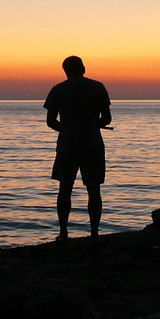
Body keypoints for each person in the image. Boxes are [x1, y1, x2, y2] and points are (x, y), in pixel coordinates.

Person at [44, 56, 111, 241]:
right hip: (93, 144)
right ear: (83, 68)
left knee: (65, 188)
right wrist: (90, 125)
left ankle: (63, 233)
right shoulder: (98, 87)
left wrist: (67, 128)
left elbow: (50, 122)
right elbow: (106, 119)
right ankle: (95, 233)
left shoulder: (57, 90)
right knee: (94, 190)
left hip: (67, 144)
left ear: (65, 70)